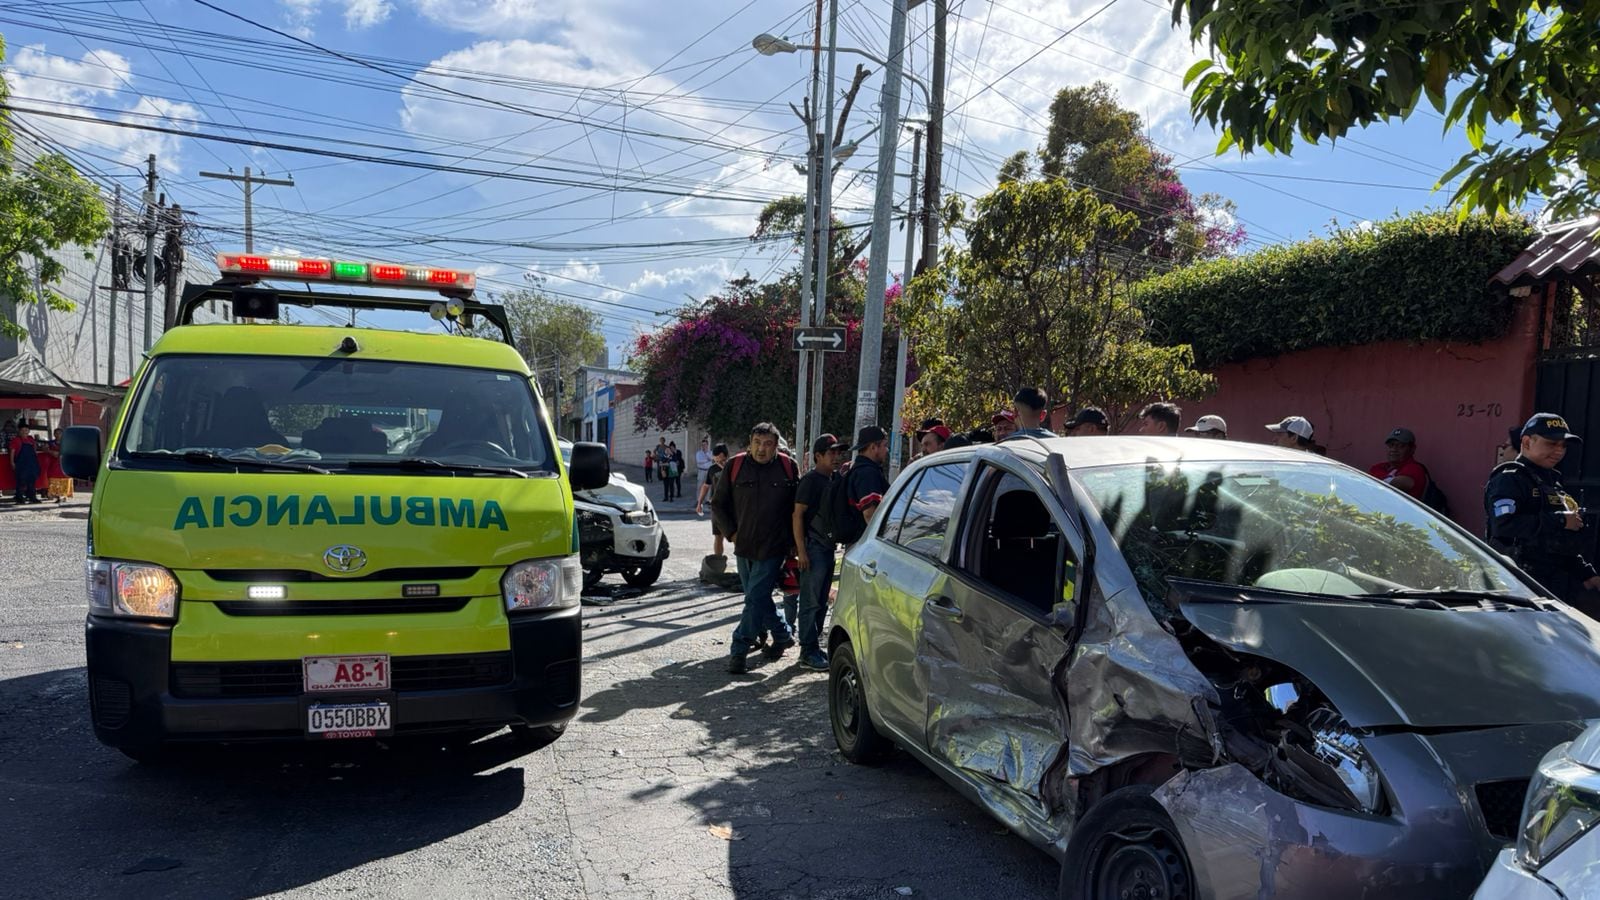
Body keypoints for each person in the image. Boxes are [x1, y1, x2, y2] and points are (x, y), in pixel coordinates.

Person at [1485, 413, 1600, 612]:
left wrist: (1586, 574)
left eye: (1563, 445)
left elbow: (1557, 542)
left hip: (1551, 587)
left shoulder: (1551, 483)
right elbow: (1503, 525)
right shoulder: (1509, 478)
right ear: (1527, 442)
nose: (1559, 451)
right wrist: (1560, 520)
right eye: (1551, 443)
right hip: (1517, 587)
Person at [711, 423, 800, 674]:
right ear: (750, 443)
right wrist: (731, 533)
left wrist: (795, 543)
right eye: (757, 443)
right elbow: (718, 504)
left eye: (768, 444)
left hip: (774, 547)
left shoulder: (788, 467)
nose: (762, 449)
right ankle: (783, 635)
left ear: (776, 446)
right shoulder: (735, 465)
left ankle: (739, 649)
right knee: (756, 597)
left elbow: (797, 508)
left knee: (755, 597)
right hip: (744, 545)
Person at [792, 433, 847, 670]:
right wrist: (801, 551)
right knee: (810, 602)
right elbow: (797, 515)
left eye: (838, 452)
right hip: (813, 549)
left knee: (821, 602)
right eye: (831, 453)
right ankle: (807, 650)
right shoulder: (811, 481)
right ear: (818, 456)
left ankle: (813, 646)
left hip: (827, 548)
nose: (836, 457)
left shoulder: (834, 478)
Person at [844, 425, 892, 540]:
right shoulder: (867, 473)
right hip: (863, 541)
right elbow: (869, 514)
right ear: (873, 447)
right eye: (885, 445)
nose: (887, 450)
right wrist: (881, 541)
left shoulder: (862, 470)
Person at [1368, 427, 1428, 500]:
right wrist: (1387, 479)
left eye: (1400, 446)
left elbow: (1397, 484)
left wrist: (1375, 479)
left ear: (1412, 449)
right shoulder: (1380, 466)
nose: (1394, 449)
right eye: (1391, 445)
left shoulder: (1415, 468)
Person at [696, 443, 730, 558]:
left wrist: (726, 468)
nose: (719, 462)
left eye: (722, 460)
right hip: (717, 507)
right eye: (716, 460)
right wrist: (700, 502)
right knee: (718, 536)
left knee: (738, 536)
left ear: (726, 456)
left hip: (733, 506)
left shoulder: (733, 467)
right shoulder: (712, 469)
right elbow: (706, 486)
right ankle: (718, 561)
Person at [9, 421, 42, 505]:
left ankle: (32, 497)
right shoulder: (16, 440)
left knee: (32, 481)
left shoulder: (31, 440)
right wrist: (12, 462)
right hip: (21, 464)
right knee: (20, 481)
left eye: (26, 430)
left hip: (32, 464)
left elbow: (34, 451)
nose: (24, 432)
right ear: (19, 431)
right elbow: (12, 451)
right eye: (22, 430)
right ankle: (19, 498)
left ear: (29, 431)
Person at [45, 426, 72, 502]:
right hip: (53, 465)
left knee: (64, 479)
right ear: (54, 434)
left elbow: (61, 454)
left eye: (60, 433)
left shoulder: (67, 443)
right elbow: (45, 449)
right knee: (54, 479)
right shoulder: (50, 443)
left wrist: (50, 451)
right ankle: (57, 496)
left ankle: (63, 496)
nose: (58, 435)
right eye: (56, 433)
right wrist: (49, 451)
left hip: (64, 464)